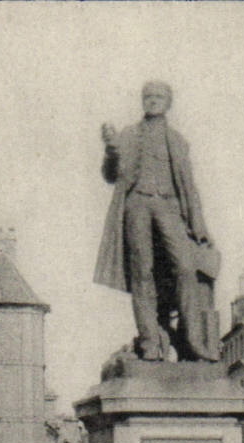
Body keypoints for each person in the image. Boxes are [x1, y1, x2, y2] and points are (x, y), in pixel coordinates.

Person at [94, 81, 218, 362]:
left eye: (159, 96)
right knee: (143, 273)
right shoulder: (128, 135)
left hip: (169, 206)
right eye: (148, 96)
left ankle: (193, 340)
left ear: (168, 102)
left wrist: (200, 226)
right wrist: (111, 152)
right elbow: (111, 175)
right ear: (142, 101)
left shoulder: (177, 140)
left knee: (185, 268)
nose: (153, 101)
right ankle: (150, 342)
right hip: (137, 204)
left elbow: (190, 187)